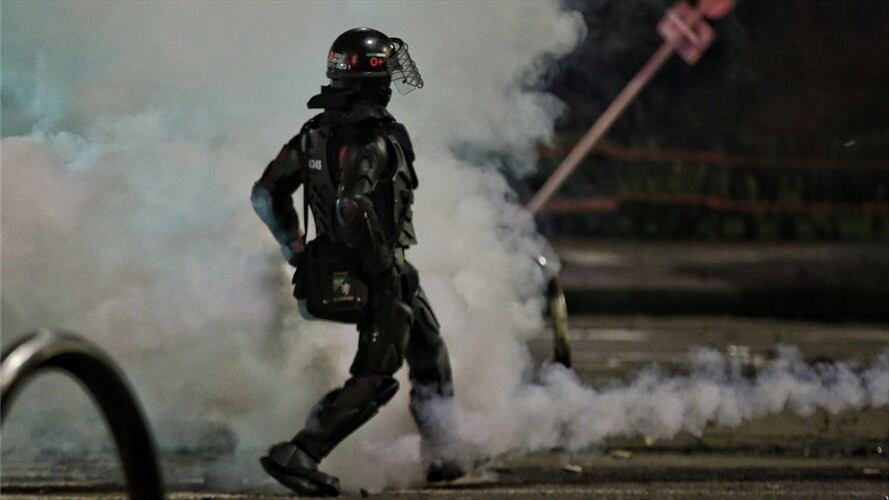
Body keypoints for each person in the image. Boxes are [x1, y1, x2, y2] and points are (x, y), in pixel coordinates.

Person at [251, 27, 462, 497]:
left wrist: (294, 246)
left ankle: (444, 453)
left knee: (428, 349)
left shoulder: (313, 134)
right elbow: (352, 205)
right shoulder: (371, 138)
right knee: (375, 376)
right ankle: (301, 453)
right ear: (374, 78)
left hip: (345, 265)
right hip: (375, 269)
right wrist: (382, 269)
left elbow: (266, 192)